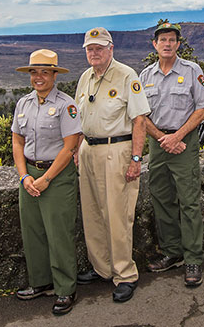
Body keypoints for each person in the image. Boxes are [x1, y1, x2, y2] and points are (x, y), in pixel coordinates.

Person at [74, 27, 151, 303]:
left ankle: (125, 274)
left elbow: (139, 119)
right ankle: (102, 267)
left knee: (118, 214)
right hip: (88, 150)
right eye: (89, 48)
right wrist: (76, 149)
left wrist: (135, 158)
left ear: (111, 48)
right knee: (92, 212)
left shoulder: (127, 75)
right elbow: (79, 118)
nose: (94, 53)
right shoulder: (85, 77)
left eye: (99, 48)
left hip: (116, 150)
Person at [139, 22, 204, 287]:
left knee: (189, 201)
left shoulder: (192, 71)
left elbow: (203, 108)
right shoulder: (145, 76)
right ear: (155, 45)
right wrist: (162, 138)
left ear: (178, 44)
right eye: (163, 40)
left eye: (172, 39)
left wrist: (177, 137)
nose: (167, 44)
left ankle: (193, 257)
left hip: (184, 144)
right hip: (158, 145)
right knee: (161, 198)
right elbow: (140, 115)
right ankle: (172, 251)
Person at [11, 49, 82, 316]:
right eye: (34, 72)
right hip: (29, 174)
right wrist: (24, 176)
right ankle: (41, 282)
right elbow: (17, 141)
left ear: (54, 74)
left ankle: (65, 288)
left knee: (58, 233)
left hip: (57, 176)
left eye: (44, 72)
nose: (38, 77)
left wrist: (46, 179)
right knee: (33, 232)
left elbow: (69, 147)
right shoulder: (23, 104)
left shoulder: (66, 105)